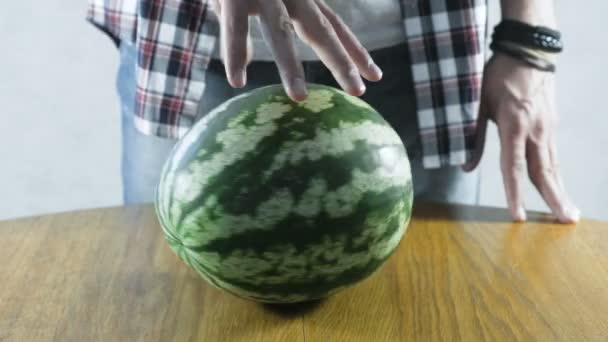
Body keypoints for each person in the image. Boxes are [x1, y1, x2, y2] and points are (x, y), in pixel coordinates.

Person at [87, 0, 579, 223]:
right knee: (174, 307)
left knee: (418, 311)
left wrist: (528, 35)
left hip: (424, 53)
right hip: (193, 44)